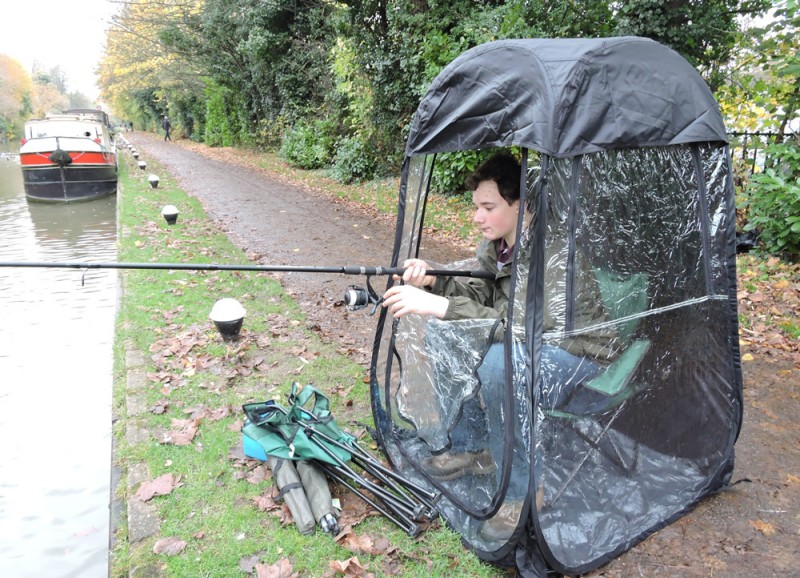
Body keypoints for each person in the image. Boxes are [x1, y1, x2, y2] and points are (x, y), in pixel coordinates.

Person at [382, 152, 619, 541]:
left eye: (488, 207)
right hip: (529, 343)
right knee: (450, 332)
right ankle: (474, 447)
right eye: (477, 206)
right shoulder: (499, 246)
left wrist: (441, 305)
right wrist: (435, 283)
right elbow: (488, 296)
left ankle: (524, 493)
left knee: (499, 364)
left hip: (581, 358)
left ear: (520, 204)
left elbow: (522, 330)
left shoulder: (551, 253)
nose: (477, 217)